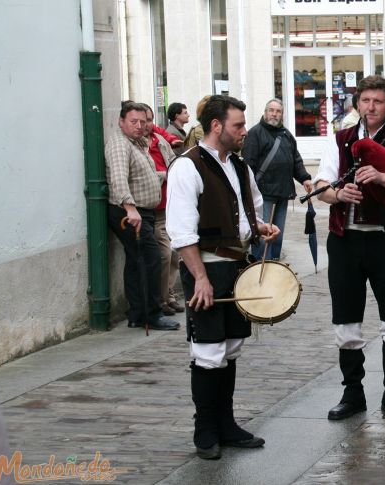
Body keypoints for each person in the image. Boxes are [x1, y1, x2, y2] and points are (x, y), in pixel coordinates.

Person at [166, 95, 280, 460]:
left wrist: (260, 227)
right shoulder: (187, 167)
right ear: (217, 126)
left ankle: (226, 424)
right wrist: (199, 277)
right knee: (208, 349)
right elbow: (181, 232)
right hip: (207, 267)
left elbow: (247, 211)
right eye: (238, 126)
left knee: (230, 346)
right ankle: (205, 430)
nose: (244, 131)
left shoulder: (240, 166)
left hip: (237, 265)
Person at [313, 75, 385, 421]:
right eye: (365, 101)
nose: (371, 107)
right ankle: (353, 393)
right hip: (345, 239)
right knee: (345, 322)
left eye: (378, 101)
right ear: (357, 104)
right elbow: (320, 184)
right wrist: (337, 194)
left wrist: (381, 177)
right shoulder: (341, 140)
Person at [105, 101, 180, 331]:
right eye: (133, 122)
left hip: (143, 211)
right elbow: (118, 179)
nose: (139, 126)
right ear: (121, 122)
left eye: (142, 121)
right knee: (150, 259)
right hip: (131, 212)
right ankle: (152, 315)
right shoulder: (120, 144)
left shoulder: (136, 143)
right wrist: (130, 208)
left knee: (137, 262)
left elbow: (142, 175)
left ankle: (137, 313)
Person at [241, 99, 313, 261]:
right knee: (264, 232)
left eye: (278, 111)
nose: (274, 113)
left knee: (278, 234)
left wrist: (305, 178)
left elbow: (295, 160)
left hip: (282, 192)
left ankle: (274, 264)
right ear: (265, 112)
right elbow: (248, 165)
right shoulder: (255, 133)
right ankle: (259, 264)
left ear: (282, 114)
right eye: (271, 110)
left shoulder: (286, 134)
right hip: (263, 194)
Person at [141, 103, 184, 316]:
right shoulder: (139, 146)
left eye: (149, 120)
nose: (147, 124)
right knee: (165, 254)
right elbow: (148, 174)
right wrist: (163, 175)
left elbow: (173, 164)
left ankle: (169, 294)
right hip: (153, 210)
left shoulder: (159, 141)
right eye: (143, 120)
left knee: (175, 254)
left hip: (169, 206)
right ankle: (161, 299)